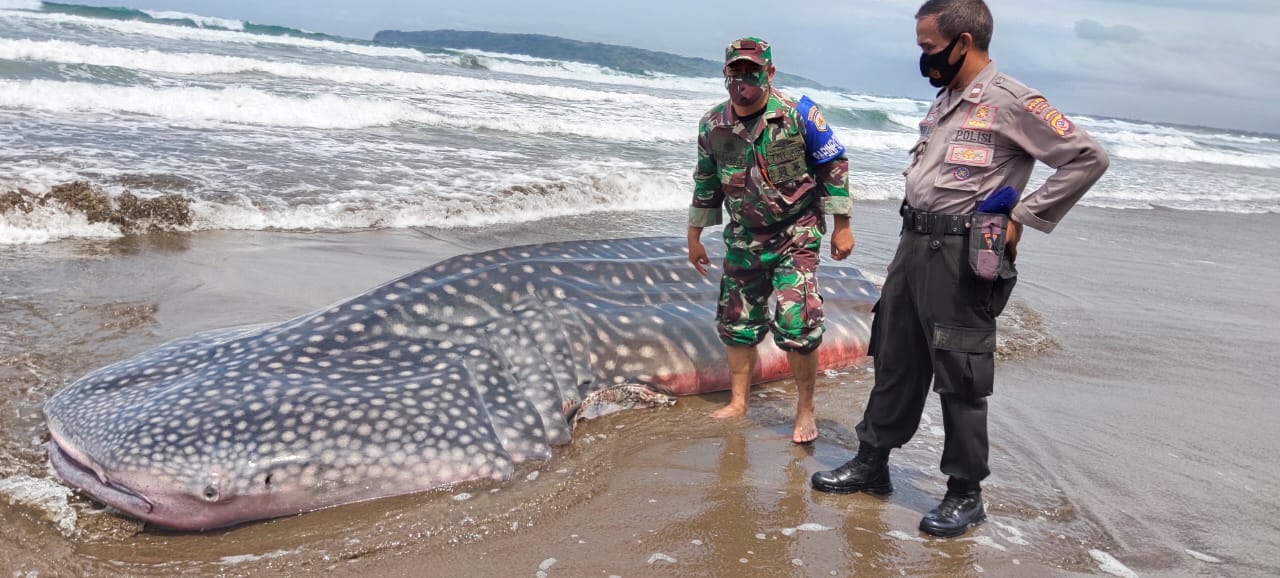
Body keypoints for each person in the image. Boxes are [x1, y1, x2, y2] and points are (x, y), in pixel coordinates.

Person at [810, 0, 1110, 538]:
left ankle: (964, 493)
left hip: (965, 253)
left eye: (929, 48)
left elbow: (1087, 157)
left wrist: (1022, 218)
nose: (923, 58)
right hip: (914, 242)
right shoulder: (948, 100)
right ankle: (871, 463)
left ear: (963, 43)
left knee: (961, 372)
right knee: (895, 355)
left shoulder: (1013, 101)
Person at [687, 37, 855, 444]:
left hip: (795, 233)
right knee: (736, 323)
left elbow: (833, 164)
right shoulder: (713, 124)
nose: (742, 79)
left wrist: (842, 224)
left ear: (770, 72)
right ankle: (739, 401)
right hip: (744, 235)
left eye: (752, 70)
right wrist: (694, 235)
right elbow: (706, 180)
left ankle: (805, 412)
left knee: (797, 323)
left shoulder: (798, 115)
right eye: (735, 71)